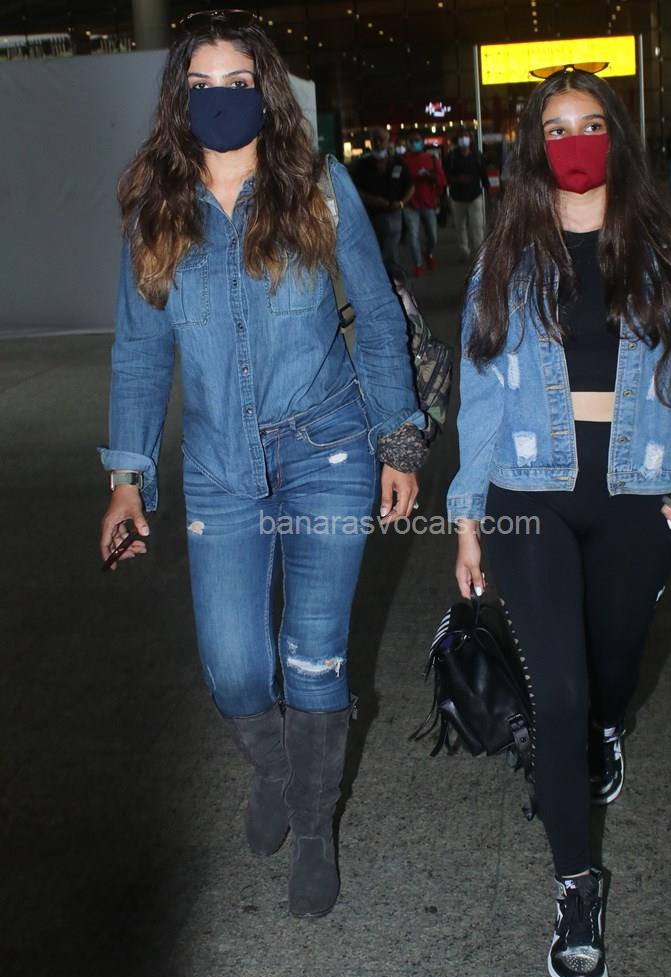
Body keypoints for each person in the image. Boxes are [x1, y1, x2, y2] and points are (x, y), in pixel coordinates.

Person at [98, 9, 427, 921]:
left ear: (265, 92)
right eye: (200, 86)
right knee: (237, 670)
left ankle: (315, 826)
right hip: (219, 465)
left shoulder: (317, 187)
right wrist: (127, 479)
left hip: (328, 449)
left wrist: (398, 438)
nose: (219, 100)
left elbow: (378, 313)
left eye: (236, 84)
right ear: (179, 99)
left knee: (313, 658)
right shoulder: (156, 211)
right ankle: (282, 770)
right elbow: (139, 354)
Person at [447, 69, 671, 977]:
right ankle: (577, 885)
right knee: (560, 694)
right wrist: (467, 517)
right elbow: (478, 399)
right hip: (526, 492)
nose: (573, 141)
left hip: (639, 491)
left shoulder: (668, 255)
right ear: (534, 149)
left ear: (615, 136)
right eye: (555, 128)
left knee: (612, 672)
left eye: (589, 124)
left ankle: (609, 725)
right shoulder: (505, 258)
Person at [354, 126, 414, 268]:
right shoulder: (363, 165)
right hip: (371, 215)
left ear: (388, 141)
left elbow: (410, 187)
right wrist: (372, 200)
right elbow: (356, 190)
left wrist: (401, 203)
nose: (378, 144)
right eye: (375, 141)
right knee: (376, 250)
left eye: (381, 140)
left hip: (394, 214)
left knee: (390, 250)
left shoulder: (398, 163)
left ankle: (392, 275)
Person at [400, 131, 446, 276]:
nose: (415, 143)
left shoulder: (431, 159)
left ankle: (428, 253)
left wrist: (430, 176)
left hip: (428, 204)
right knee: (413, 236)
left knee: (433, 236)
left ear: (422, 141)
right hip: (409, 204)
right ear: (408, 143)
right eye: (412, 140)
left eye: (417, 140)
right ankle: (418, 264)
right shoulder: (402, 161)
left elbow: (442, 180)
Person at [445, 127, 489, 261]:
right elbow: (446, 174)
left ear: (470, 139)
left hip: (475, 195)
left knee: (477, 226)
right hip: (457, 197)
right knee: (460, 226)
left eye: (466, 136)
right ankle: (464, 250)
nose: (463, 139)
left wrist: (488, 191)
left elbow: (483, 174)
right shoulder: (452, 156)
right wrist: (457, 179)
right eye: (461, 137)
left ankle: (479, 253)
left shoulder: (477, 155)